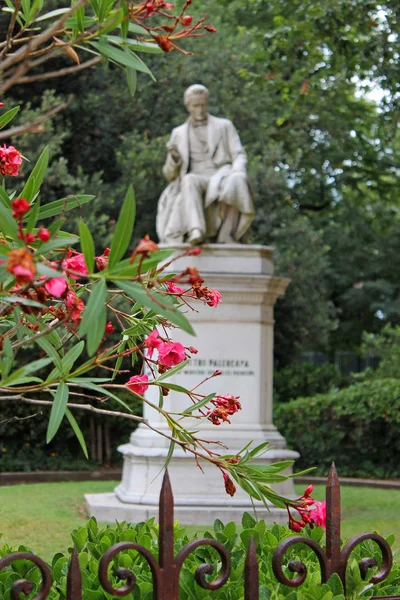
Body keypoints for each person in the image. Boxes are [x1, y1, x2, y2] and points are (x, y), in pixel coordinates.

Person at [156, 84, 255, 245]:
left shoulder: (224, 126)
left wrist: (238, 171)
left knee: (237, 180)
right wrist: (174, 159)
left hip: (221, 174)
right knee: (188, 180)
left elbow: (239, 154)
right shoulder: (178, 133)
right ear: (188, 106)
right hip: (196, 178)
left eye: (203, 105)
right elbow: (169, 175)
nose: (200, 110)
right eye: (196, 106)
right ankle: (196, 229)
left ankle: (228, 235)